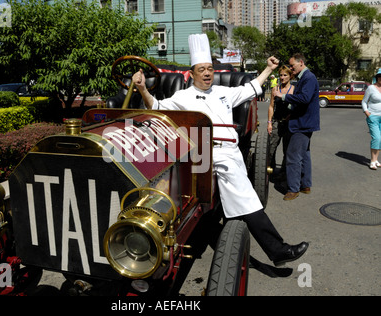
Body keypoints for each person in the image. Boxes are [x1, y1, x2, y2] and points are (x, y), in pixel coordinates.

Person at [132, 34, 308, 266]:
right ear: (192, 74)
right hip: (202, 154)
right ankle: (275, 250)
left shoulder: (224, 92)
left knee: (244, 200)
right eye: (202, 69)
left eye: (210, 69)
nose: (207, 73)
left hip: (229, 153)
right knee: (234, 199)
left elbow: (252, 87)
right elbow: (156, 107)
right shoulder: (182, 96)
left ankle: (267, 247)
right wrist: (143, 88)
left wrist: (268, 68)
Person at [273, 53, 320, 201]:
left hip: (302, 124)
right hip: (303, 122)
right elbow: (302, 101)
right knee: (304, 154)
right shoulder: (305, 78)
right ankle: (305, 185)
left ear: (301, 63)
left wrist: (283, 96)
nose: (291, 68)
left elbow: (304, 99)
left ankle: (293, 189)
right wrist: (291, 113)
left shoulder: (308, 78)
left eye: (292, 65)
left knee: (293, 156)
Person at [267, 65, 295, 175]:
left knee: (287, 150)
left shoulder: (294, 89)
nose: (282, 77)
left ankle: (283, 172)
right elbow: (271, 106)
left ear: (290, 76)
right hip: (276, 122)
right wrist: (269, 123)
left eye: (285, 75)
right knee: (271, 148)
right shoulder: (275, 89)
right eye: (281, 75)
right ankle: (270, 170)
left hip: (289, 123)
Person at [362, 68, 381, 170]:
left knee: (380, 140)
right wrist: (367, 113)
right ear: (377, 77)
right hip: (373, 116)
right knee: (376, 138)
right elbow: (364, 101)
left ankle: (376, 159)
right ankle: (372, 161)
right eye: (380, 76)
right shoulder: (371, 88)